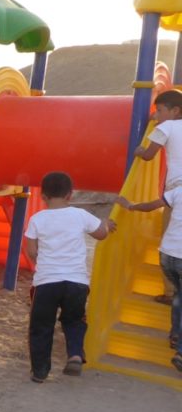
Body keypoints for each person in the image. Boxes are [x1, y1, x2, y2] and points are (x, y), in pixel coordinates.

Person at [24, 171, 115, 382]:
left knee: (41, 326)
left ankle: (40, 372)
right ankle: (74, 353)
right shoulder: (79, 215)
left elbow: (31, 251)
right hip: (76, 282)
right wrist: (107, 225)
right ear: (70, 195)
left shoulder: (37, 219)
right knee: (74, 320)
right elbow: (100, 234)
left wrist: (42, 262)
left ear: (43, 197)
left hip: (47, 283)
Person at [118, 186, 182, 371]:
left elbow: (153, 205)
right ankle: (180, 352)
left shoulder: (178, 190)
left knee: (179, 294)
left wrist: (130, 205)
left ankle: (176, 334)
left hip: (167, 255)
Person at [134, 89, 182, 305]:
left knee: (169, 238)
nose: (156, 115)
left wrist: (139, 150)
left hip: (176, 191)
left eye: (159, 110)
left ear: (175, 111)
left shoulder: (167, 126)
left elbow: (149, 155)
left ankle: (171, 293)